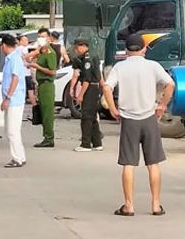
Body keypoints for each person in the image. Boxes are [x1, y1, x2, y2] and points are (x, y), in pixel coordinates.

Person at [102, 33, 175, 216]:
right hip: (149, 117)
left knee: (128, 163)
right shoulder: (152, 66)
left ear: (126, 50)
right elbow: (170, 84)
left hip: (128, 119)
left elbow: (106, 87)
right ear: (144, 49)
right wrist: (162, 105)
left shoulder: (120, 67)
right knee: (153, 163)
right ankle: (156, 205)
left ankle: (129, 205)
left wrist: (113, 108)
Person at [0, 35, 27, 168]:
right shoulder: (10, 59)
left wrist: (8, 97)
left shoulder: (14, 59)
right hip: (12, 98)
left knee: (12, 130)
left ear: (4, 45)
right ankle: (20, 155)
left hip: (14, 99)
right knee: (13, 130)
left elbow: (15, 79)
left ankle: (17, 158)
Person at [73, 38, 104, 152]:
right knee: (93, 116)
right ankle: (97, 143)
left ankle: (85, 144)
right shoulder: (94, 55)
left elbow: (87, 79)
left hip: (89, 88)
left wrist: (81, 95)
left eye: (76, 48)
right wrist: (103, 87)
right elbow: (99, 74)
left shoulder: (87, 59)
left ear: (81, 46)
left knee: (86, 116)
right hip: (95, 88)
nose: (76, 51)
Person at [31, 28, 58, 148]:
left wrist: (37, 66)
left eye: (43, 36)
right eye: (39, 36)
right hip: (41, 84)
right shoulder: (42, 51)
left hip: (47, 84)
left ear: (49, 38)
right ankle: (46, 136)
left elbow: (52, 72)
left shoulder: (50, 53)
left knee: (47, 113)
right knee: (43, 111)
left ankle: (49, 138)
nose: (40, 39)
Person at [17, 35, 37, 106]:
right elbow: (28, 59)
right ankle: (34, 104)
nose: (27, 42)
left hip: (20, 72)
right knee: (30, 89)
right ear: (20, 41)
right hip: (26, 72)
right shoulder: (24, 49)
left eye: (27, 40)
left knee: (22, 89)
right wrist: (32, 59)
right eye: (25, 40)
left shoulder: (17, 49)